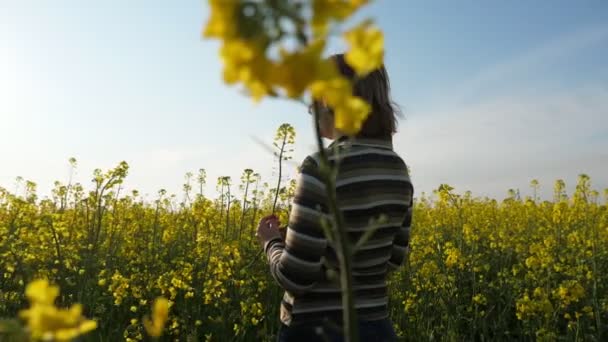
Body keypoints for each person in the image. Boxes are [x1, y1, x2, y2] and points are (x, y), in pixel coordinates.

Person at [256, 53, 414, 342]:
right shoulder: (398, 169)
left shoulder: (320, 169)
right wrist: (304, 239)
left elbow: (296, 277)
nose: (309, 109)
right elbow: (392, 259)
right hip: (375, 328)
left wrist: (273, 243)